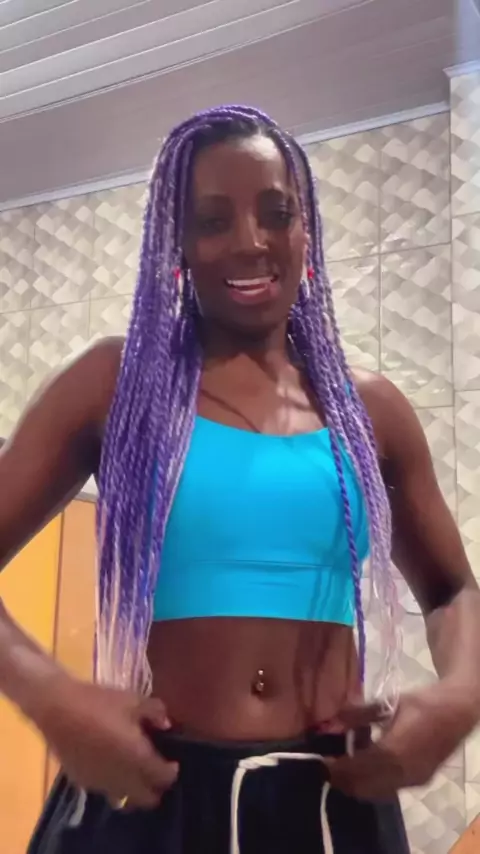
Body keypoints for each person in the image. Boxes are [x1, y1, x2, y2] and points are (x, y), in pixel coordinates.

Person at [0, 105, 479, 854]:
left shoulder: (371, 410)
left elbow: (452, 591)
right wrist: (52, 700)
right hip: (153, 795)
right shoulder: (114, 384)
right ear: (179, 244)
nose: (251, 241)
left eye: (277, 214)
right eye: (213, 220)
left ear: (306, 232)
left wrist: (460, 697)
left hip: (333, 807)